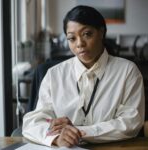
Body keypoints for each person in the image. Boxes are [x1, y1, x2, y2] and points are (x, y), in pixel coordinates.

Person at [22, 5, 145, 147]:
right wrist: (56, 138)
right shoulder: (54, 75)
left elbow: (131, 122)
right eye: (72, 38)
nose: (79, 44)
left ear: (101, 32)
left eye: (87, 34)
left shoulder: (127, 71)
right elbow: (32, 122)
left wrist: (78, 132)